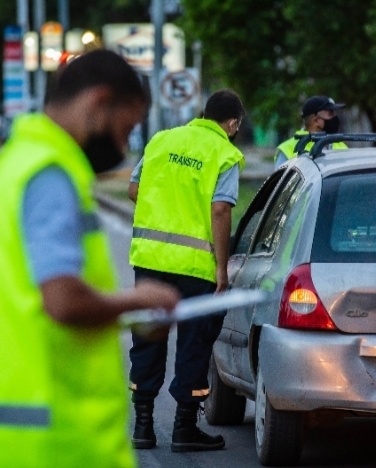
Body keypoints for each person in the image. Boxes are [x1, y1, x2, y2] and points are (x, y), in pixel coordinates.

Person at [0, 50, 181, 468]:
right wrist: (138, 299)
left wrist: (125, 318)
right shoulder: (51, 174)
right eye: (125, 129)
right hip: (56, 444)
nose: (124, 146)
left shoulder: (11, 168)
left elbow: (29, 305)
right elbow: (62, 300)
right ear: (98, 102)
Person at [127, 89, 245, 452]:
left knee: (148, 337)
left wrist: (166, 205)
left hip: (150, 259)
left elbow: (134, 189)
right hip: (195, 266)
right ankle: (183, 430)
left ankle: (143, 427)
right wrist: (221, 269)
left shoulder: (162, 140)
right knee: (194, 342)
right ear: (233, 123)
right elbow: (221, 211)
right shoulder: (225, 153)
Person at [274, 95, 348, 168]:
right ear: (316, 120)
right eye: (330, 114)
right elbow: (281, 179)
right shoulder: (288, 149)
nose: (335, 118)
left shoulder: (341, 146)